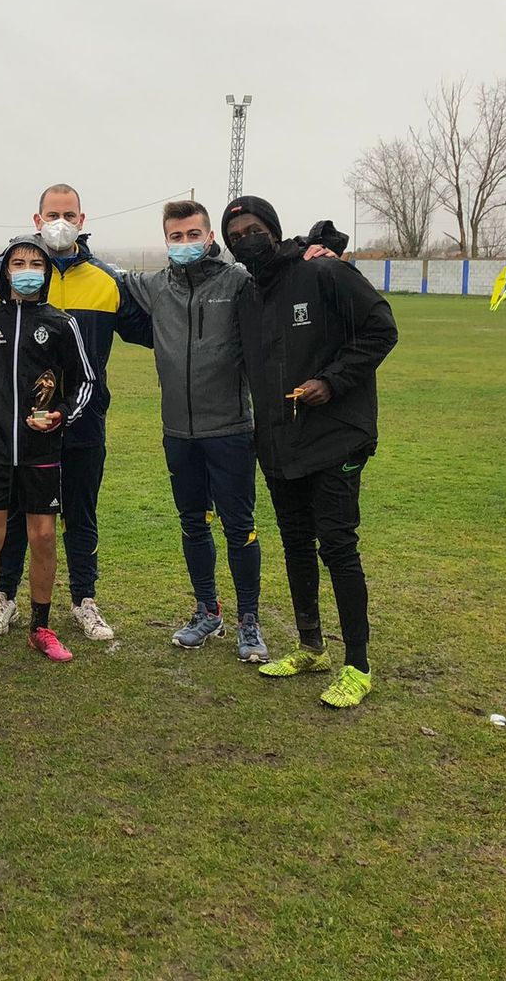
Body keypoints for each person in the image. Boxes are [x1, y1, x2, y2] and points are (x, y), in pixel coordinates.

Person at [222, 195, 398, 709]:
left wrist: (331, 381)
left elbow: (381, 328)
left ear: (273, 229)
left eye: (253, 229)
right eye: (235, 236)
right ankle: (310, 647)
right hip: (278, 443)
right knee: (297, 545)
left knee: (338, 547)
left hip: (335, 436)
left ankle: (357, 664)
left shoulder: (322, 273)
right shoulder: (249, 296)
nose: (244, 240)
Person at [118, 199, 270, 663]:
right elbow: (103, 276)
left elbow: (282, 283)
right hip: (177, 433)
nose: (184, 244)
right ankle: (208, 610)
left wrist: (313, 251)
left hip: (230, 430)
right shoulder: (155, 286)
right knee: (193, 522)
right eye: (175, 236)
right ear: (166, 240)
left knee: (239, 526)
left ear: (210, 237)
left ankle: (249, 620)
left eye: (192, 235)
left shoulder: (238, 281)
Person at [0, 185, 122, 642]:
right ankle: (4, 596)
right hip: (22, 429)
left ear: (82, 219)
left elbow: (149, 323)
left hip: (84, 422)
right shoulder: (3, 275)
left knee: (80, 513)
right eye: (52, 213)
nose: (60, 221)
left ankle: (84, 599)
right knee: (14, 514)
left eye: (68, 214)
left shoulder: (108, 280)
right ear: (37, 218)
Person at [0, 236, 95, 663]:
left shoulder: (61, 323)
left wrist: (61, 414)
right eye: (18, 262)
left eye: (36, 263)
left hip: (42, 448)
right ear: (5, 270)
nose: (27, 269)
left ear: (45, 271)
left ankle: (41, 627)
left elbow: (85, 382)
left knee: (42, 538)